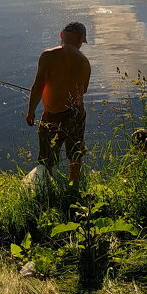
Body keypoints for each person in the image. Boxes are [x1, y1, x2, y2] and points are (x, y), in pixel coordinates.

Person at [26, 21, 91, 186]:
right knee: (75, 155)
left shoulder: (48, 55)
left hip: (52, 115)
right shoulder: (85, 62)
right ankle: (74, 187)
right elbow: (83, 90)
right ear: (80, 38)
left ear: (61, 35)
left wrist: (31, 112)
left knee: (47, 158)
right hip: (76, 114)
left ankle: (48, 188)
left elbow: (38, 87)